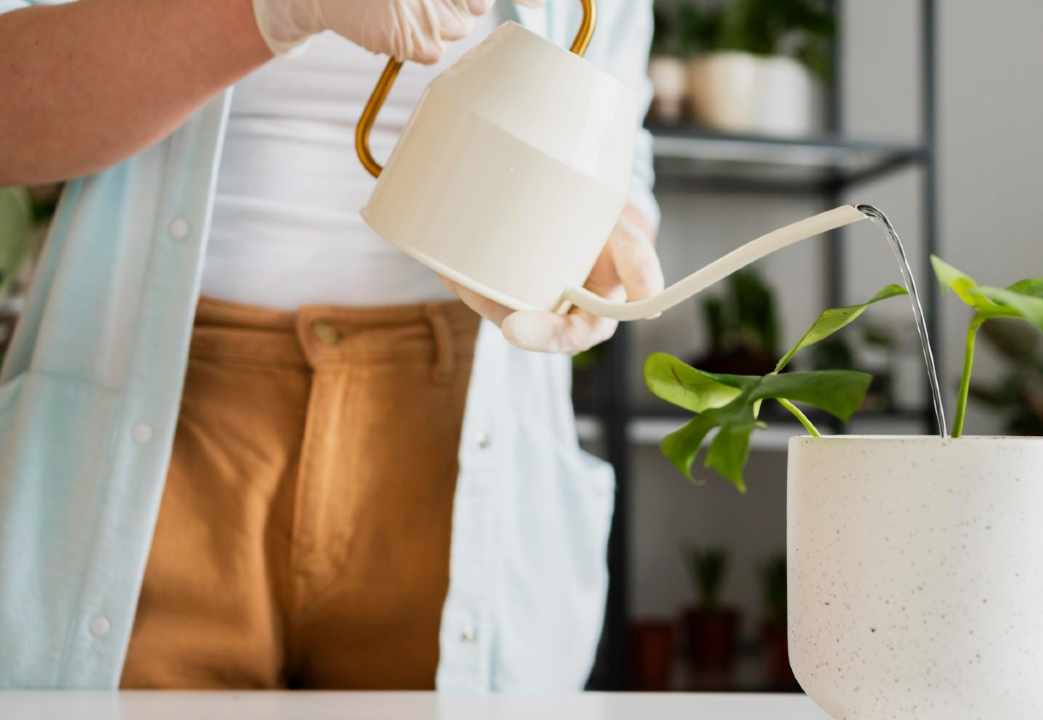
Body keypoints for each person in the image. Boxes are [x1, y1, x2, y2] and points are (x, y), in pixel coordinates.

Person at [0, 0, 660, 690]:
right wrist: (273, 8)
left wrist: (602, 244)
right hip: (159, 432)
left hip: (456, 437)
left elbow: (617, 136)